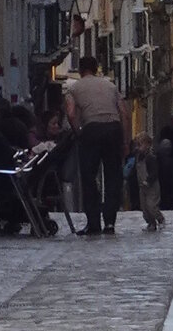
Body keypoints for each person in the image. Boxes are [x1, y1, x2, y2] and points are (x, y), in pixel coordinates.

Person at [63, 54, 126, 236]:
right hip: (113, 129)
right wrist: (124, 139)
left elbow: (71, 113)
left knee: (89, 178)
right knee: (113, 176)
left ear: (81, 70)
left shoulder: (74, 89)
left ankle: (93, 222)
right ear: (97, 68)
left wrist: (79, 132)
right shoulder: (110, 86)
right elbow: (124, 112)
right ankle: (110, 222)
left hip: (91, 130)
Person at [136, 138, 164, 232]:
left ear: (148, 145)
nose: (139, 147)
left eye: (141, 145)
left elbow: (154, 172)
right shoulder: (139, 157)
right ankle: (151, 222)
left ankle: (160, 218)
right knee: (144, 207)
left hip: (151, 185)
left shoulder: (150, 157)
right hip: (142, 186)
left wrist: (148, 181)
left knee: (151, 205)